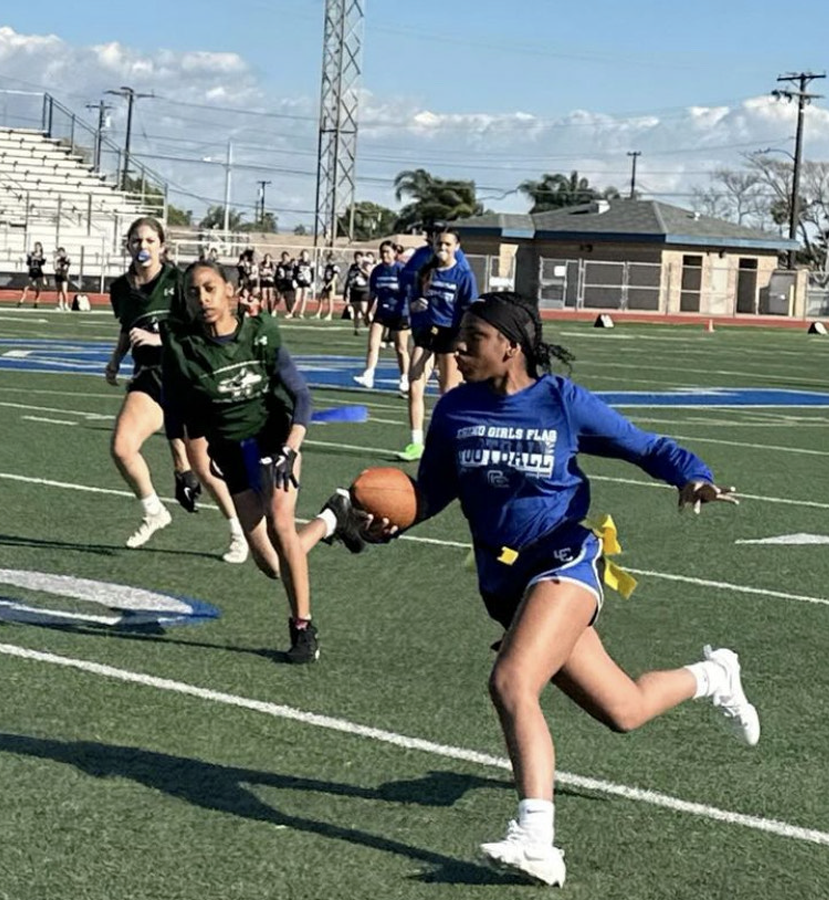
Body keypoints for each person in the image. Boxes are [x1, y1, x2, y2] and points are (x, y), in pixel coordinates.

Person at [320, 292, 758, 886]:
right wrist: (385, 523)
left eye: (473, 338)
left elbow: (645, 445)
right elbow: (429, 496)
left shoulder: (560, 401)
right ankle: (715, 676)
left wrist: (693, 477)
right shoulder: (454, 411)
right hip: (504, 583)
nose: (458, 347)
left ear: (511, 345)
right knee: (624, 710)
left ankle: (537, 839)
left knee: (511, 681)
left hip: (565, 556)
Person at [162, 258, 327, 663]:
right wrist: (182, 467)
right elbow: (175, 413)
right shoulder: (183, 349)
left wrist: (291, 447)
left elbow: (302, 397)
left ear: (230, 291)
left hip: (274, 441)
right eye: (193, 291)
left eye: (209, 288)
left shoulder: (260, 334)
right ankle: (331, 521)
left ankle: (303, 628)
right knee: (271, 563)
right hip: (230, 453)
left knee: (281, 523)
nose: (202, 298)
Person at [105, 217, 250, 563]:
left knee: (203, 467)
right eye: (137, 241)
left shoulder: (180, 282)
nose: (143, 247)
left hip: (185, 376)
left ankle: (239, 531)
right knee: (122, 447)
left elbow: (200, 329)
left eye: (150, 241)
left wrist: (159, 338)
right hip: (149, 376)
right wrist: (115, 360)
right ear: (128, 246)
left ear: (162, 246)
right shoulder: (120, 289)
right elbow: (129, 327)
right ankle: (154, 510)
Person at [400, 227, 477, 461]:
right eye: (439, 244)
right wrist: (416, 306)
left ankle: (448, 441)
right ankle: (416, 443)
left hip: (449, 335)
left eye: (447, 244)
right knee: (414, 383)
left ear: (457, 247)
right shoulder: (426, 272)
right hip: (427, 333)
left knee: (447, 393)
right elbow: (413, 301)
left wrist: (465, 338)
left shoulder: (464, 275)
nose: (442, 248)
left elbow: (470, 308)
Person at [352, 241, 409, 393]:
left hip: (399, 312)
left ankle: (404, 377)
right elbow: (373, 293)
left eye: (388, 252)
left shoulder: (401, 270)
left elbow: (409, 292)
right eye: (382, 252)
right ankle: (368, 374)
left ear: (394, 253)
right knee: (373, 344)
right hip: (382, 312)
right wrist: (367, 312)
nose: (385, 255)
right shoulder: (377, 271)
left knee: (401, 348)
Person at [344, 251, 370, 335]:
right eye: (356, 258)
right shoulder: (352, 267)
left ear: (362, 258)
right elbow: (349, 278)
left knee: (363, 310)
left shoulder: (366, 265)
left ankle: (369, 325)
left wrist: (361, 270)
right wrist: (346, 291)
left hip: (364, 290)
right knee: (355, 311)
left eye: (359, 257)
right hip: (354, 290)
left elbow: (369, 276)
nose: (357, 259)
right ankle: (356, 328)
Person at [19, 242, 47, 308]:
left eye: (38, 246)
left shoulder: (42, 255)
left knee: (38, 289)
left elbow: (42, 264)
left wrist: (44, 277)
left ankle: (36, 302)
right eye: (35, 246)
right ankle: (21, 300)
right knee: (26, 287)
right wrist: (28, 258)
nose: (36, 248)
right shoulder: (31, 254)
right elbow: (28, 263)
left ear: (40, 247)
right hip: (32, 273)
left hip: (39, 273)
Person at [314, 255, 341, 319]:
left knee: (330, 300)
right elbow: (325, 276)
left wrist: (329, 284)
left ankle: (330, 314)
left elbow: (335, 277)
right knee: (321, 299)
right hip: (326, 284)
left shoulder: (335, 267)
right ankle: (318, 313)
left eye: (329, 259)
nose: (328, 261)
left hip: (331, 285)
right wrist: (323, 281)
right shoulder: (327, 266)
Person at [292, 250, 315, 318]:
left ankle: (301, 313)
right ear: (301, 255)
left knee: (304, 298)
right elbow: (294, 272)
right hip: (299, 282)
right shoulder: (298, 262)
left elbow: (312, 273)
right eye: (303, 255)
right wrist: (294, 280)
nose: (305, 256)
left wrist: (312, 282)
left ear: (308, 255)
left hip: (306, 282)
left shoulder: (310, 263)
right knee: (297, 298)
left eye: (306, 255)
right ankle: (291, 312)